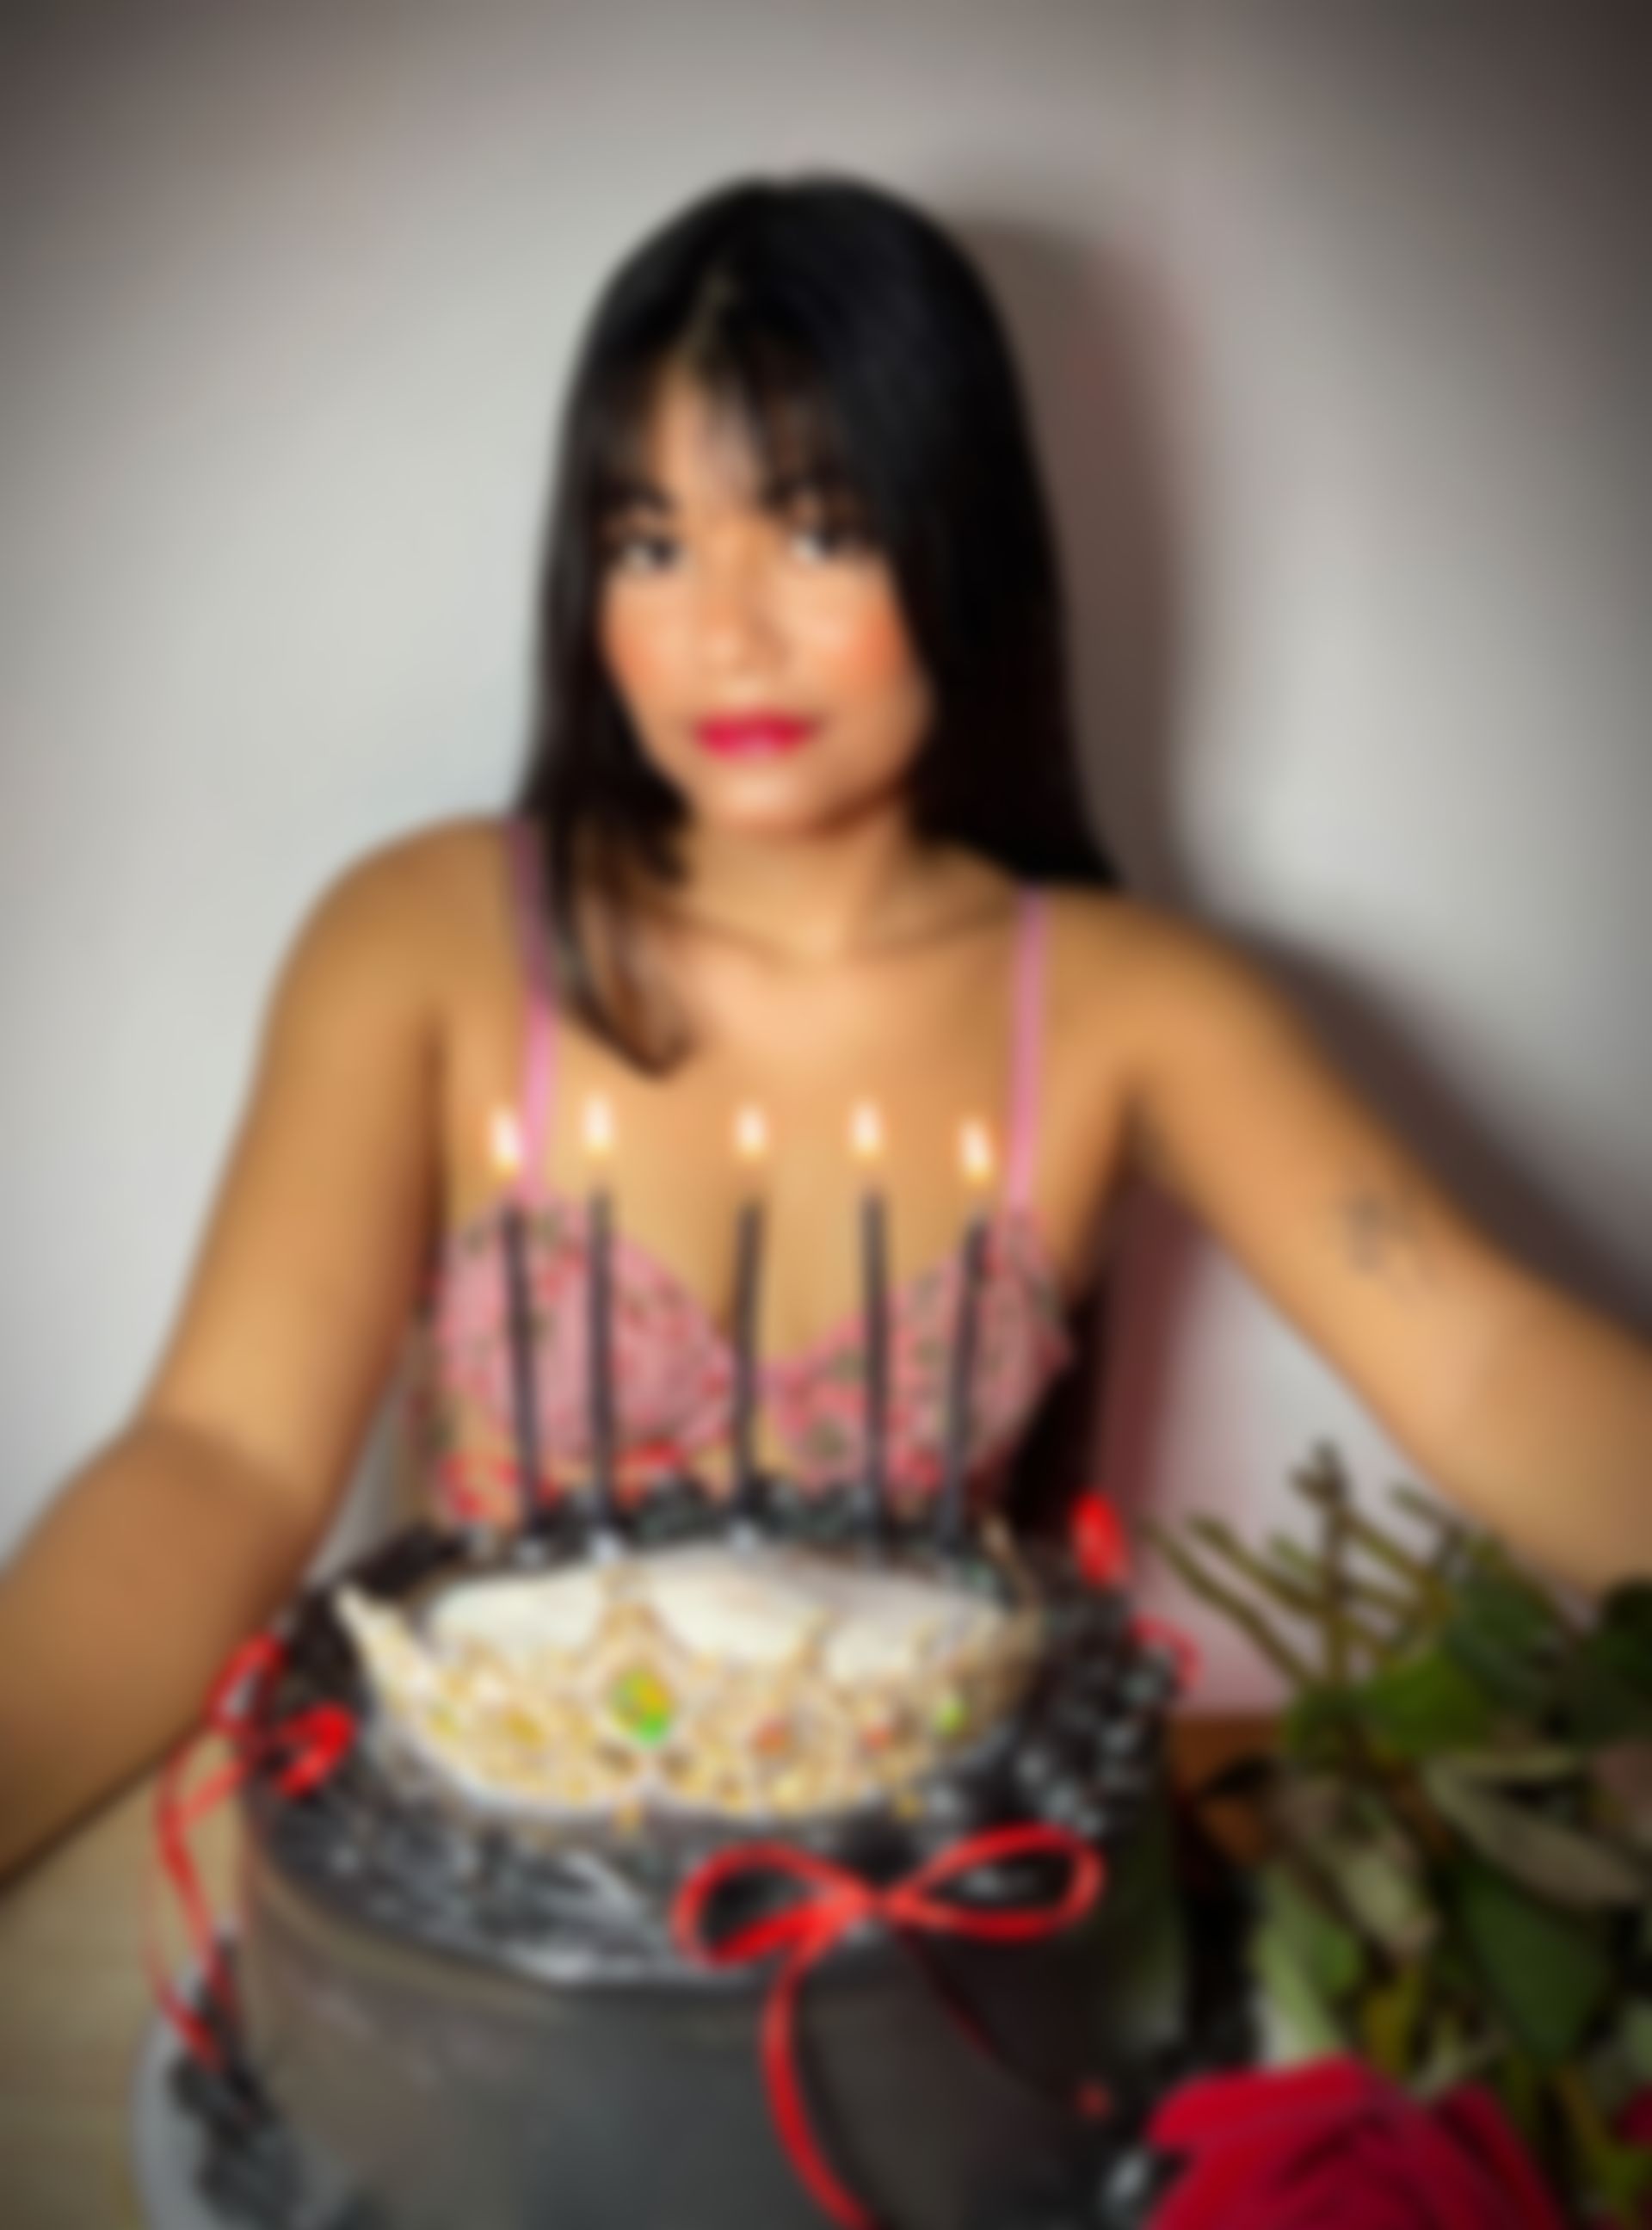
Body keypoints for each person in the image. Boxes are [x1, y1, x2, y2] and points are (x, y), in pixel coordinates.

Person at [1, 173, 1648, 1885]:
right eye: (652, 545)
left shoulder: (1131, 1006)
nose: (725, 637)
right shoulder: (427, 941)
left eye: (817, 532)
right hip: (491, 1916)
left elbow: (1482, 1356)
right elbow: (219, 1460)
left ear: (958, 545)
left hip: (892, 1929)